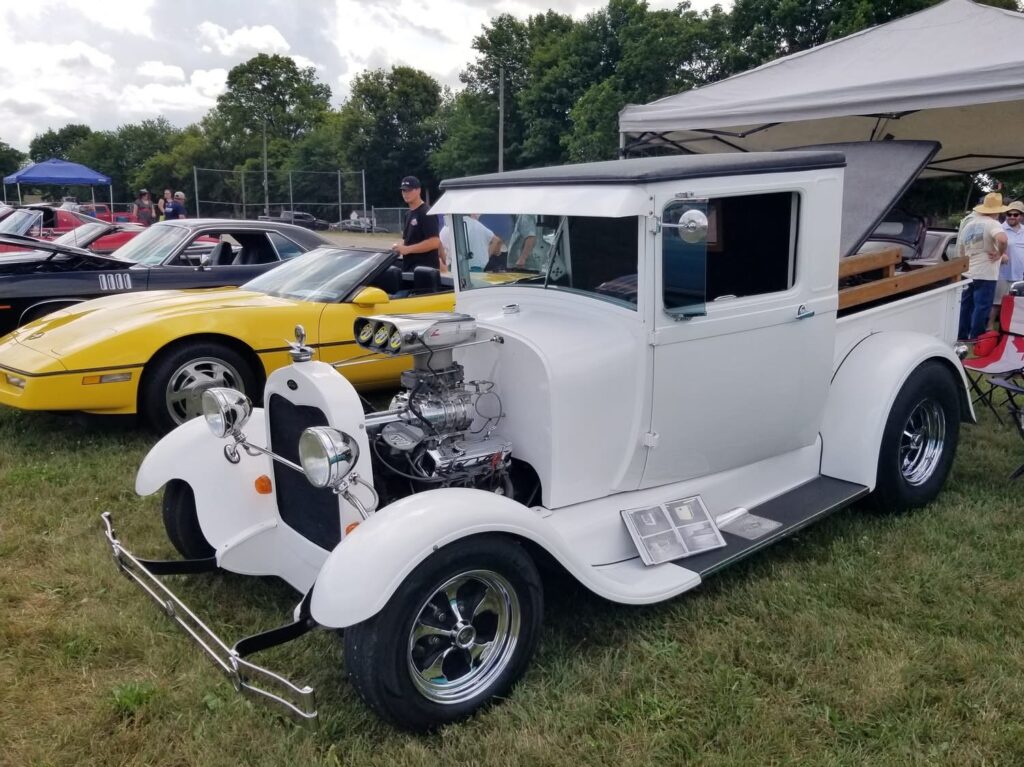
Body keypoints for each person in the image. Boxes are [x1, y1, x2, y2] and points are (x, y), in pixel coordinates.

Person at [958, 192, 1009, 340]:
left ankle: (962, 336)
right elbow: (1003, 239)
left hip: (968, 272)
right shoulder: (992, 223)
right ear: (997, 211)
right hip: (986, 273)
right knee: (982, 306)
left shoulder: (969, 224)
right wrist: (1000, 253)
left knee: (966, 306)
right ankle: (977, 338)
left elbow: (961, 249)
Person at [393, 176, 439, 270]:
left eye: (409, 190)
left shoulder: (427, 212)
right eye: (403, 190)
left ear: (418, 190)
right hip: (409, 268)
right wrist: (400, 248)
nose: (406, 193)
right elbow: (408, 240)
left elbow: (434, 242)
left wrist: (407, 249)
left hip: (424, 271)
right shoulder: (408, 214)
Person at [996, 200, 1024, 317]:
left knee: (1016, 306)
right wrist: (1001, 254)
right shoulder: (999, 229)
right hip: (1002, 274)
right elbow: (990, 247)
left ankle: (1008, 327)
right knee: (996, 304)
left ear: (1021, 216)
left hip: (1019, 275)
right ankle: (989, 326)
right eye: (1009, 214)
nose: (1012, 217)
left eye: (1015, 214)